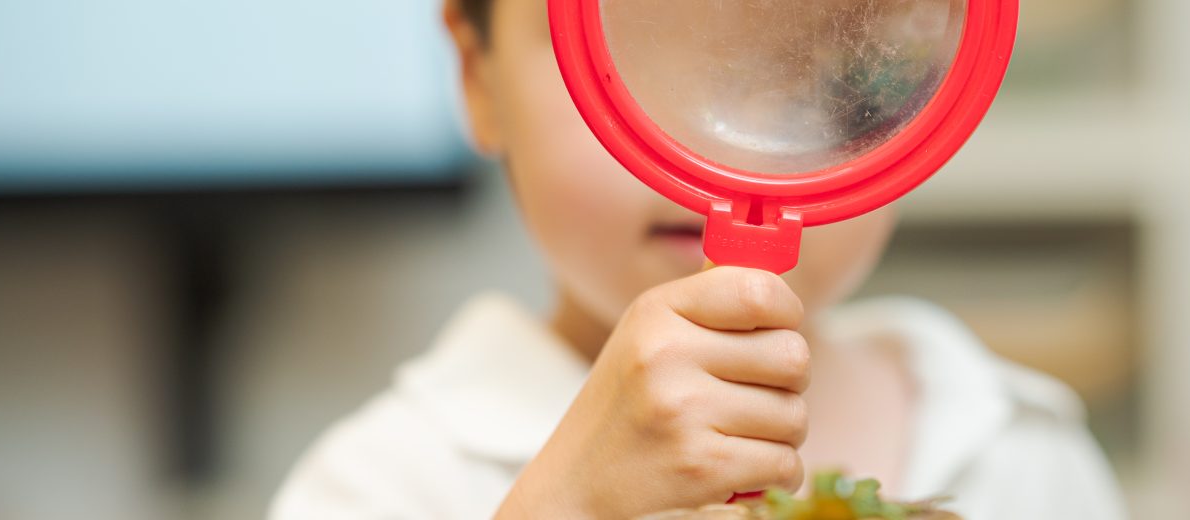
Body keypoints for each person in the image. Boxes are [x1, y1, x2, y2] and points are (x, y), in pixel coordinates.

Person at [270, 0, 1126, 518]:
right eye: (631, 43)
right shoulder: (384, 484)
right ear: (476, 74)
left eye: (811, 57)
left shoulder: (1018, 448)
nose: (722, 148)